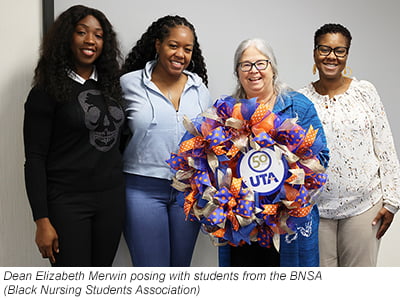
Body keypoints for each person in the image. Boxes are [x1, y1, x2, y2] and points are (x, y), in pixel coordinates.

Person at [23, 5, 125, 266]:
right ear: (67, 37)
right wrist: (41, 220)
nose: (90, 40)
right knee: (72, 285)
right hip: (67, 203)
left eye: (99, 35)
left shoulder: (111, 86)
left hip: (110, 201)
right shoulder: (46, 91)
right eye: (82, 32)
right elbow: (34, 159)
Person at [219, 38, 329, 267]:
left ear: (273, 68)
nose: (254, 71)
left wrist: (292, 175)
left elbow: (322, 156)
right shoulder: (226, 112)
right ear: (237, 72)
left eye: (261, 63)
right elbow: (213, 161)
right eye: (245, 65)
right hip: (244, 222)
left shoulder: (298, 105)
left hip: (288, 222)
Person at [299, 23, 400, 267]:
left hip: (364, 207)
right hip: (317, 209)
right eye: (324, 49)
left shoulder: (365, 92)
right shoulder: (301, 99)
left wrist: (392, 202)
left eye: (339, 50)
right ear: (314, 52)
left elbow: (385, 145)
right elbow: (295, 156)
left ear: (347, 55)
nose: (332, 56)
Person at [120, 15, 211, 267]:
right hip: (141, 191)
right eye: (173, 45)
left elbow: (206, 143)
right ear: (158, 44)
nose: (180, 54)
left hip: (188, 193)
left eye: (187, 49)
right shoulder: (128, 84)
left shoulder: (200, 89)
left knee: (180, 272)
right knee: (152, 273)